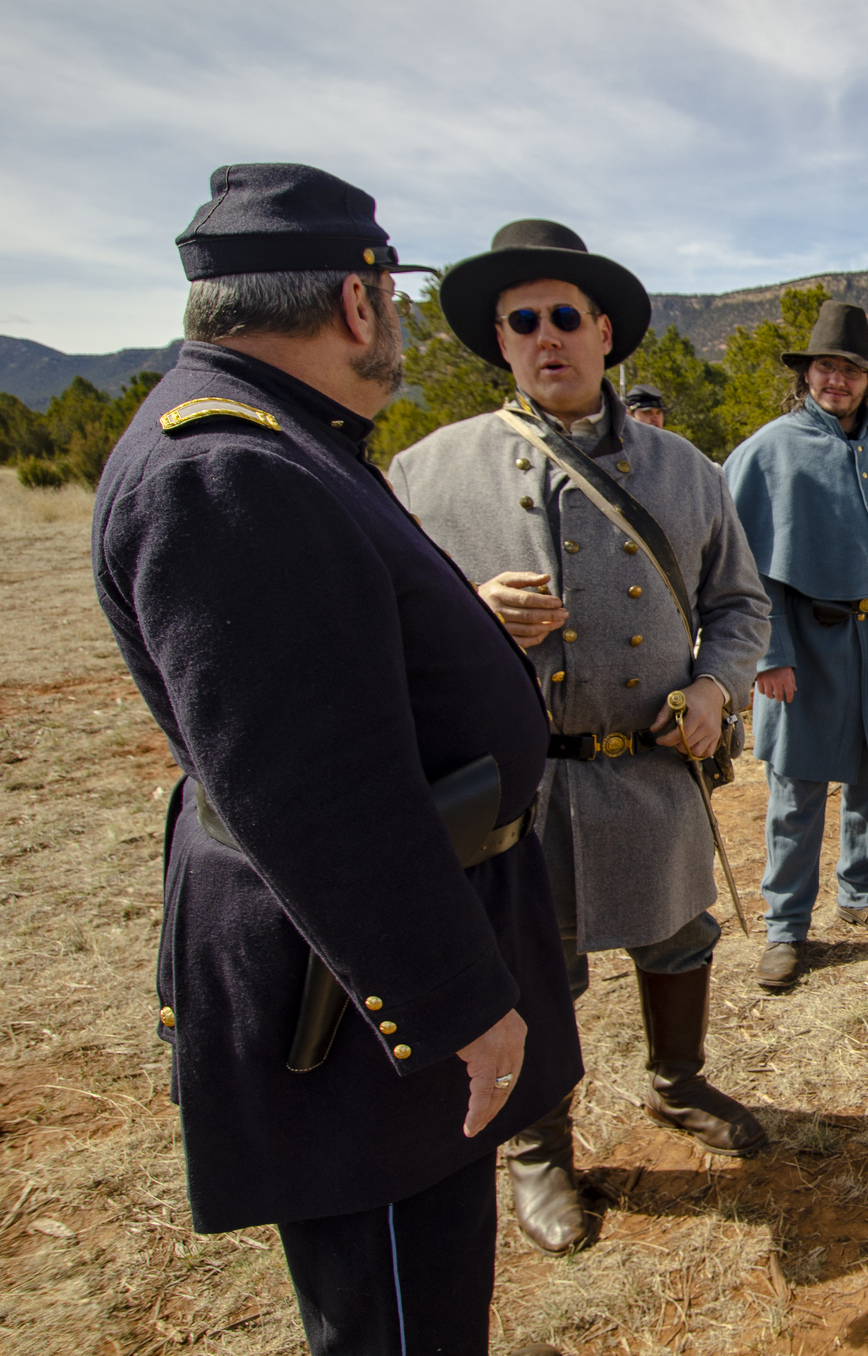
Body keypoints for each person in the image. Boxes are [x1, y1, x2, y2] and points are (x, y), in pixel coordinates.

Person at [92, 164, 579, 1356]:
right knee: (401, 1318)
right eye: (392, 295)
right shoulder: (230, 466)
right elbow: (311, 789)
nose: (397, 321)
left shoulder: (276, 440)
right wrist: (456, 1001)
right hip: (365, 1005)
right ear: (358, 301)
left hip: (373, 967)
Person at [388, 220, 773, 1254]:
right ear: (500, 343)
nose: (546, 335)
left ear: (605, 333)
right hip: (519, 782)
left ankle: (677, 1082)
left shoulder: (686, 470)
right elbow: (374, 624)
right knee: (531, 971)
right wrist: (469, 609)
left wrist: (713, 688)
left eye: (567, 316)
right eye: (524, 321)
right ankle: (538, 1151)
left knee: (678, 934)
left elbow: (740, 604)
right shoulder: (424, 475)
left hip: (648, 766)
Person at [723, 301, 868, 990]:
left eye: (853, 370)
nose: (839, 380)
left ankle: (861, 894)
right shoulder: (766, 452)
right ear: (805, 374)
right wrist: (768, 655)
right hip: (804, 643)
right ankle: (785, 928)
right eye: (827, 367)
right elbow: (741, 570)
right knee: (796, 791)